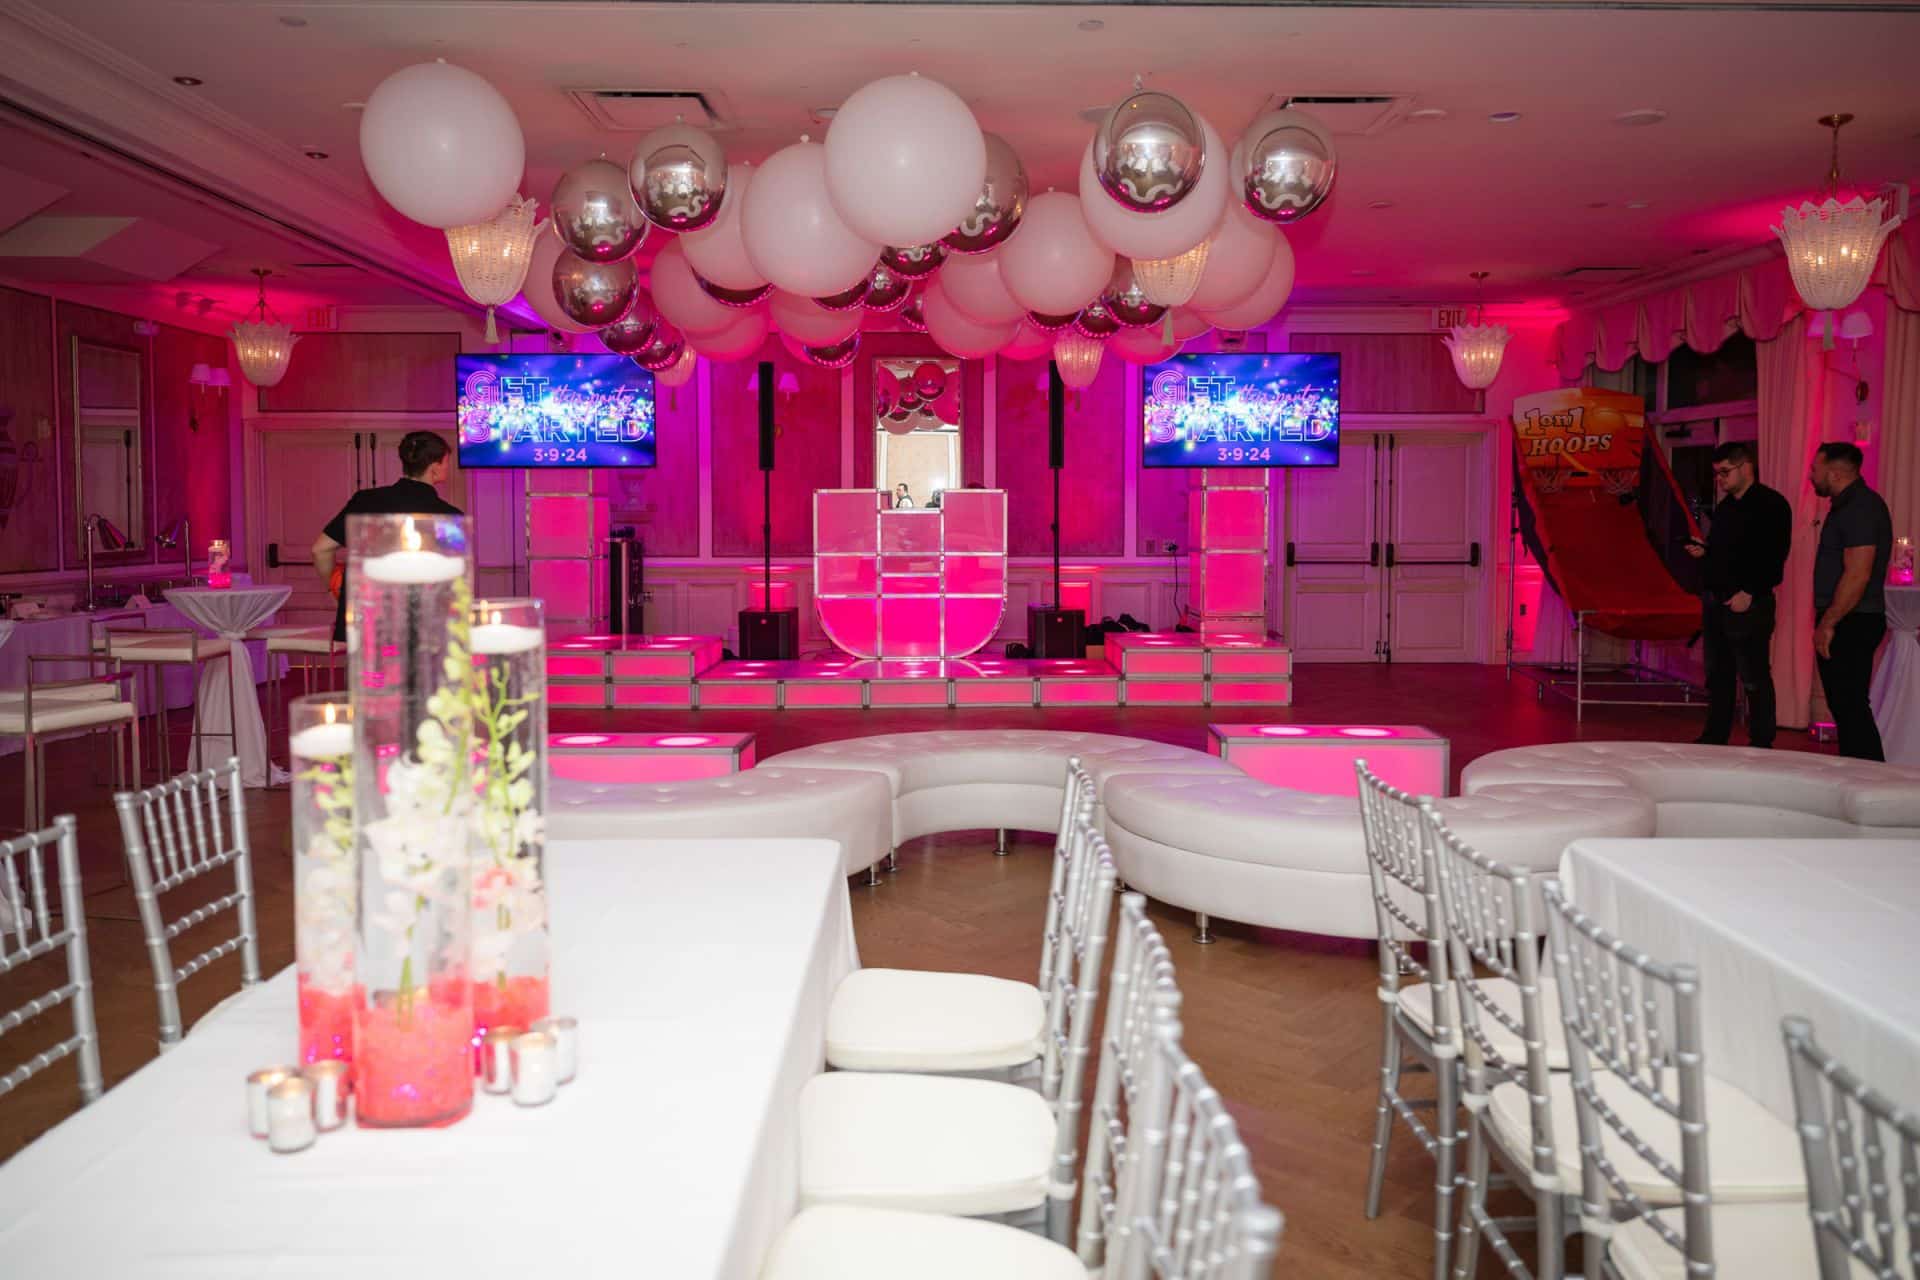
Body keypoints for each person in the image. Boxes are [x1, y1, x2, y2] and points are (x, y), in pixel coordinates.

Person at [1684, 441, 1791, 747]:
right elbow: (1723, 554)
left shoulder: (1772, 505)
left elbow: (1775, 557)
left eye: (1724, 473)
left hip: (1750, 603)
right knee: (1718, 675)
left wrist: (1750, 593)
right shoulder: (1727, 508)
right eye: (1717, 474)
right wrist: (1703, 551)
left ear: (1746, 467)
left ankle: (1761, 740)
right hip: (1718, 600)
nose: (1720, 480)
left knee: (1754, 675)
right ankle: (1715, 735)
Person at [312, 432, 463, 642]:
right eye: (446, 462)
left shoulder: (365, 501)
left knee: (366, 675)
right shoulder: (449, 516)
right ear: (435, 467)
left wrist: (333, 588)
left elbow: (321, 549)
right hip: (422, 622)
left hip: (367, 615)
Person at [1809, 441, 1893, 760]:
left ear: (1835, 472)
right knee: (1845, 704)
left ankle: (1869, 777)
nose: (1810, 476)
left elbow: (1858, 573)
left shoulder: (1860, 507)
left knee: (1850, 703)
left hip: (1853, 619)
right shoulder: (1848, 505)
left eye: (1815, 469)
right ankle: (1857, 773)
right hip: (1849, 617)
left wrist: (1829, 623)